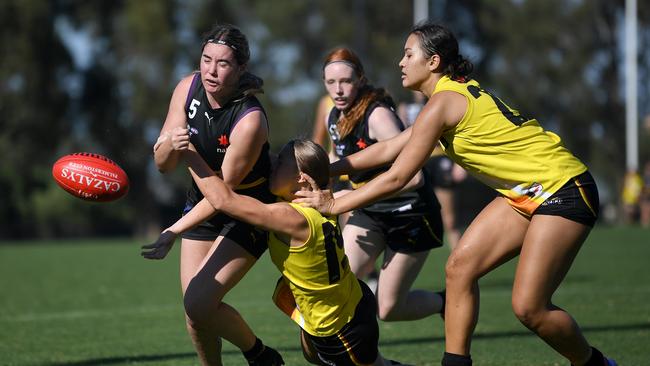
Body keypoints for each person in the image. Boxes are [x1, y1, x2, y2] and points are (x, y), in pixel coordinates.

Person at [295, 22, 616, 366]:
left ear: (432, 62)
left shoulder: (444, 102)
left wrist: (335, 203)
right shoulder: (447, 97)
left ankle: (595, 364)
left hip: (562, 188)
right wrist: (329, 169)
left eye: (408, 54)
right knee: (459, 268)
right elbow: (387, 149)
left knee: (530, 308)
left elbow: (399, 175)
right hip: (524, 195)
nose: (400, 62)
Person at [146, 139, 407, 366]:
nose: (272, 165)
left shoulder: (290, 216)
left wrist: (190, 152)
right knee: (312, 353)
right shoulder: (319, 202)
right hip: (351, 302)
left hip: (341, 332)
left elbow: (224, 200)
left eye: (280, 163)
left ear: (301, 178)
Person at [149, 23, 283, 366]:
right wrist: (171, 146)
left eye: (223, 63)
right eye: (206, 59)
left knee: (197, 302)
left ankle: (260, 354)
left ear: (240, 68)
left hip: (247, 208)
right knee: (196, 315)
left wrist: (174, 230)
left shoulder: (249, 119)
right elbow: (163, 164)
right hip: (202, 202)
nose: (211, 70)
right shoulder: (187, 87)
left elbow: (224, 195)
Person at [320, 47, 445, 322]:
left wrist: (353, 195)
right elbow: (336, 156)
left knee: (388, 309)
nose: (338, 89)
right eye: (331, 82)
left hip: (411, 215)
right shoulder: (335, 116)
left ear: (361, 79)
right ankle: (349, 350)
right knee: (338, 283)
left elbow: (414, 177)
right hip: (372, 213)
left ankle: (444, 302)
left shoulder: (377, 116)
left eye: (346, 81)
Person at [399, 91, 466, 250]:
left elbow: (458, 132)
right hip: (417, 161)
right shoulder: (405, 108)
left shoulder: (440, 103)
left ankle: (460, 260)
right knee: (413, 217)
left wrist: (460, 164)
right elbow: (398, 137)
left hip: (440, 159)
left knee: (450, 220)